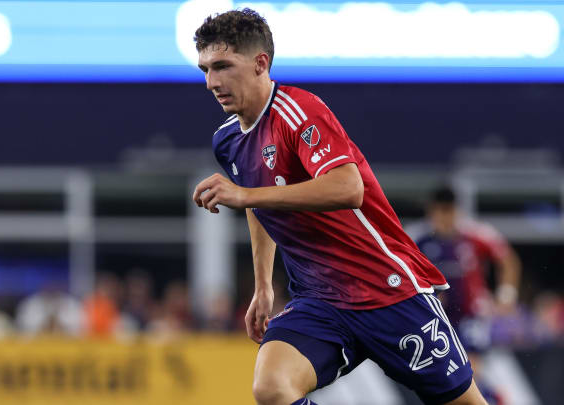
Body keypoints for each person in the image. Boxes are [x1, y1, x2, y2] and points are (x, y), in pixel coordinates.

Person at [190, 9, 488, 405]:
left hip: (387, 291)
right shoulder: (227, 141)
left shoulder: (299, 112)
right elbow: (261, 205)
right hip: (319, 301)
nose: (212, 82)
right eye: (206, 69)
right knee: (272, 388)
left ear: (261, 63)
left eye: (223, 66)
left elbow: (348, 188)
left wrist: (245, 194)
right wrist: (263, 286)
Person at [408, 186, 522, 404]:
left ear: (457, 211)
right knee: (445, 373)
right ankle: (491, 397)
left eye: (449, 211)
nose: (444, 218)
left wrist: (506, 296)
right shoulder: (417, 238)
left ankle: (493, 399)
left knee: (469, 368)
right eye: (440, 212)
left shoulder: (476, 234)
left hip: (471, 314)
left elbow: (508, 260)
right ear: (431, 211)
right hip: (436, 317)